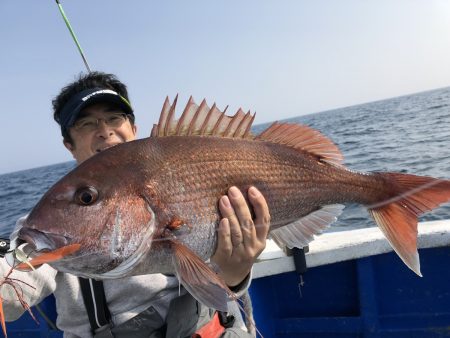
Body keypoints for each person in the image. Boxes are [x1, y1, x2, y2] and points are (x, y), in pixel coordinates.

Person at [0, 72, 270, 338]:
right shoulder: (47, 224)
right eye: (86, 123)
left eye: (114, 118)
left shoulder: (180, 172)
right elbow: (15, 285)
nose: (105, 131)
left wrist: (236, 272)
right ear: (69, 145)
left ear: (133, 129)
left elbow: (224, 288)